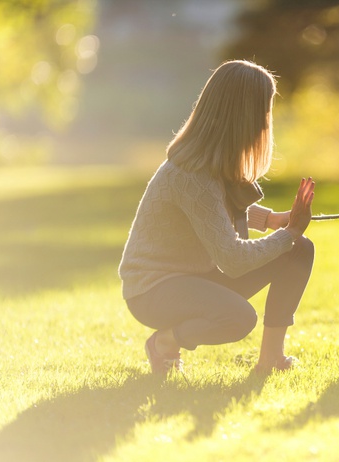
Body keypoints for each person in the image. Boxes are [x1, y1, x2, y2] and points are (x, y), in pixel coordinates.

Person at [118, 60, 315, 376]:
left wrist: (273, 222)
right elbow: (232, 258)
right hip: (153, 290)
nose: (267, 123)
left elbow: (210, 213)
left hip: (195, 274)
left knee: (299, 250)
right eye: (265, 111)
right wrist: (287, 234)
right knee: (238, 319)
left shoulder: (212, 164)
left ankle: (271, 359)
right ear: (246, 116)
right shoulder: (192, 175)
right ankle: (165, 343)